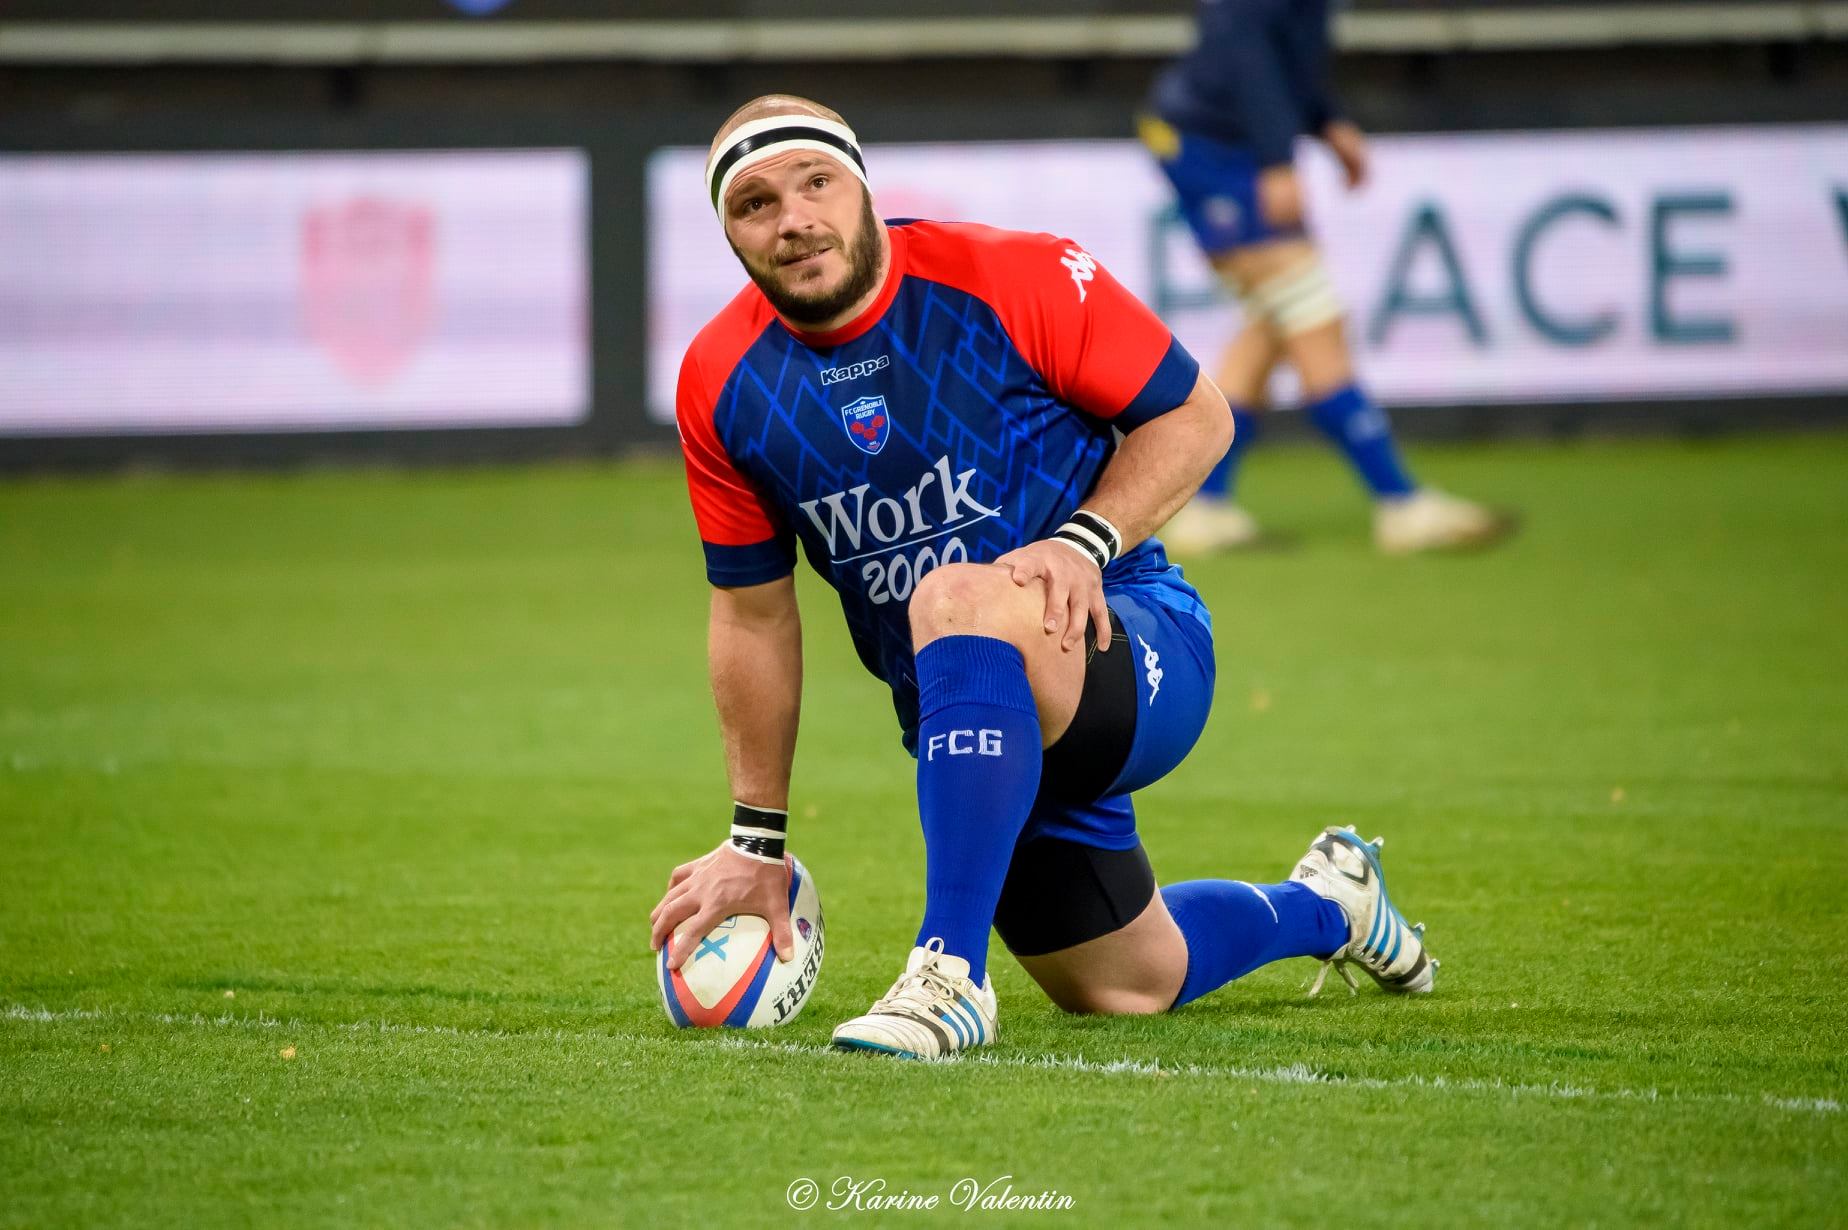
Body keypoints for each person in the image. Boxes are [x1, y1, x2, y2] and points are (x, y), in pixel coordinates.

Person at [647, 94, 1436, 1060]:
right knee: (1127, 985)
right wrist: (755, 842)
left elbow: (1198, 417)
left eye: (817, 183)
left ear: (860, 186)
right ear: (730, 236)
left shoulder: (1010, 274)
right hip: (966, 715)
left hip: (1132, 637)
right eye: (756, 204)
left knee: (950, 591)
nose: (795, 218)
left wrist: (1081, 542)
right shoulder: (719, 381)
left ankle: (946, 977)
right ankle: (1332, 904)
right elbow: (754, 617)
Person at [1144, 0, 1511, 554]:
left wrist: (1326, 119)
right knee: (1309, 309)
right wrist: (1277, 159)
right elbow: (1247, 49)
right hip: (1212, 140)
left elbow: (1285, 51)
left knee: (1274, 319)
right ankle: (1401, 501)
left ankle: (1207, 506)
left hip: (1218, 135)